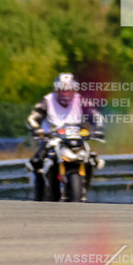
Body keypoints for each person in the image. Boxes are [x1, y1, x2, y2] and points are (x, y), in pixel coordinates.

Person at [24, 73, 104, 201]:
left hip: (76, 137)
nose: (65, 93)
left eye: (69, 90)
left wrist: (98, 129)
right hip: (52, 138)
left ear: (74, 89)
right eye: (62, 89)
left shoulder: (81, 100)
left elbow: (96, 116)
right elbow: (33, 118)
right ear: (56, 89)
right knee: (37, 161)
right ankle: (40, 191)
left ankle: (83, 189)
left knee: (92, 159)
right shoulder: (47, 100)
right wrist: (37, 130)